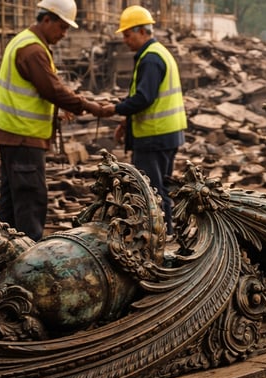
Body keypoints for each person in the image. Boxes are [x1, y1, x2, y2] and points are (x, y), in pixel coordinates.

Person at [0, 0, 110, 241]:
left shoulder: (24, 41)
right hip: (24, 137)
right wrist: (90, 106)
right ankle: (27, 266)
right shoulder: (33, 50)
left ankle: (4, 259)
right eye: (62, 28)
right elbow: (51, 90)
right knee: (31, 201)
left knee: (13, 203)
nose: (64, 34)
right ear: (46, 20)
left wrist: (56, 112)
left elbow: (35, 92)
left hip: (14, 135)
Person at [102, 5, 187, 234]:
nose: (125, 41)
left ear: (142, 31)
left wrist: (115, 109)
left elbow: (144, 98)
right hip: (166, 135)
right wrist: (125, 122)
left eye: (128, 35)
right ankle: (166, 237)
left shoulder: (150, 59)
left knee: (151, 194)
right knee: (161, 192)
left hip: (154, 137)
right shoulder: (159, 53)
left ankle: (159, 242)